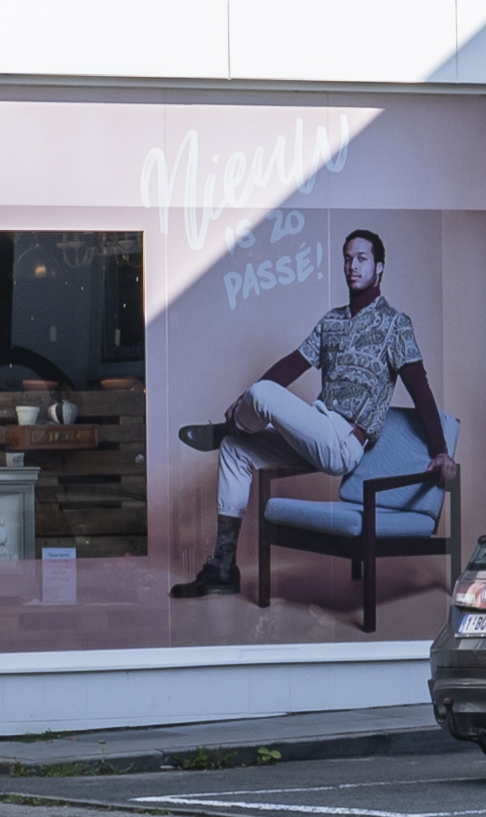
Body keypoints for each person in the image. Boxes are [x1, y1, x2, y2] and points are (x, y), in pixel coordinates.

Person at [167, 226, 444, 602]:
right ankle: (223, 567)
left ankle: (229, 425)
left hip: (343, 441)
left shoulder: (396, 324)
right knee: (235, 449)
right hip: (315, 428)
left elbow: (420, 388)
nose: (352, 266)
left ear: (379, 268)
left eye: (361, 259)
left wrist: (441, 451)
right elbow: (293, 365)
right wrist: (249, 399)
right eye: (347, 258)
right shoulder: (331, 321)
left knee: (260, 395)